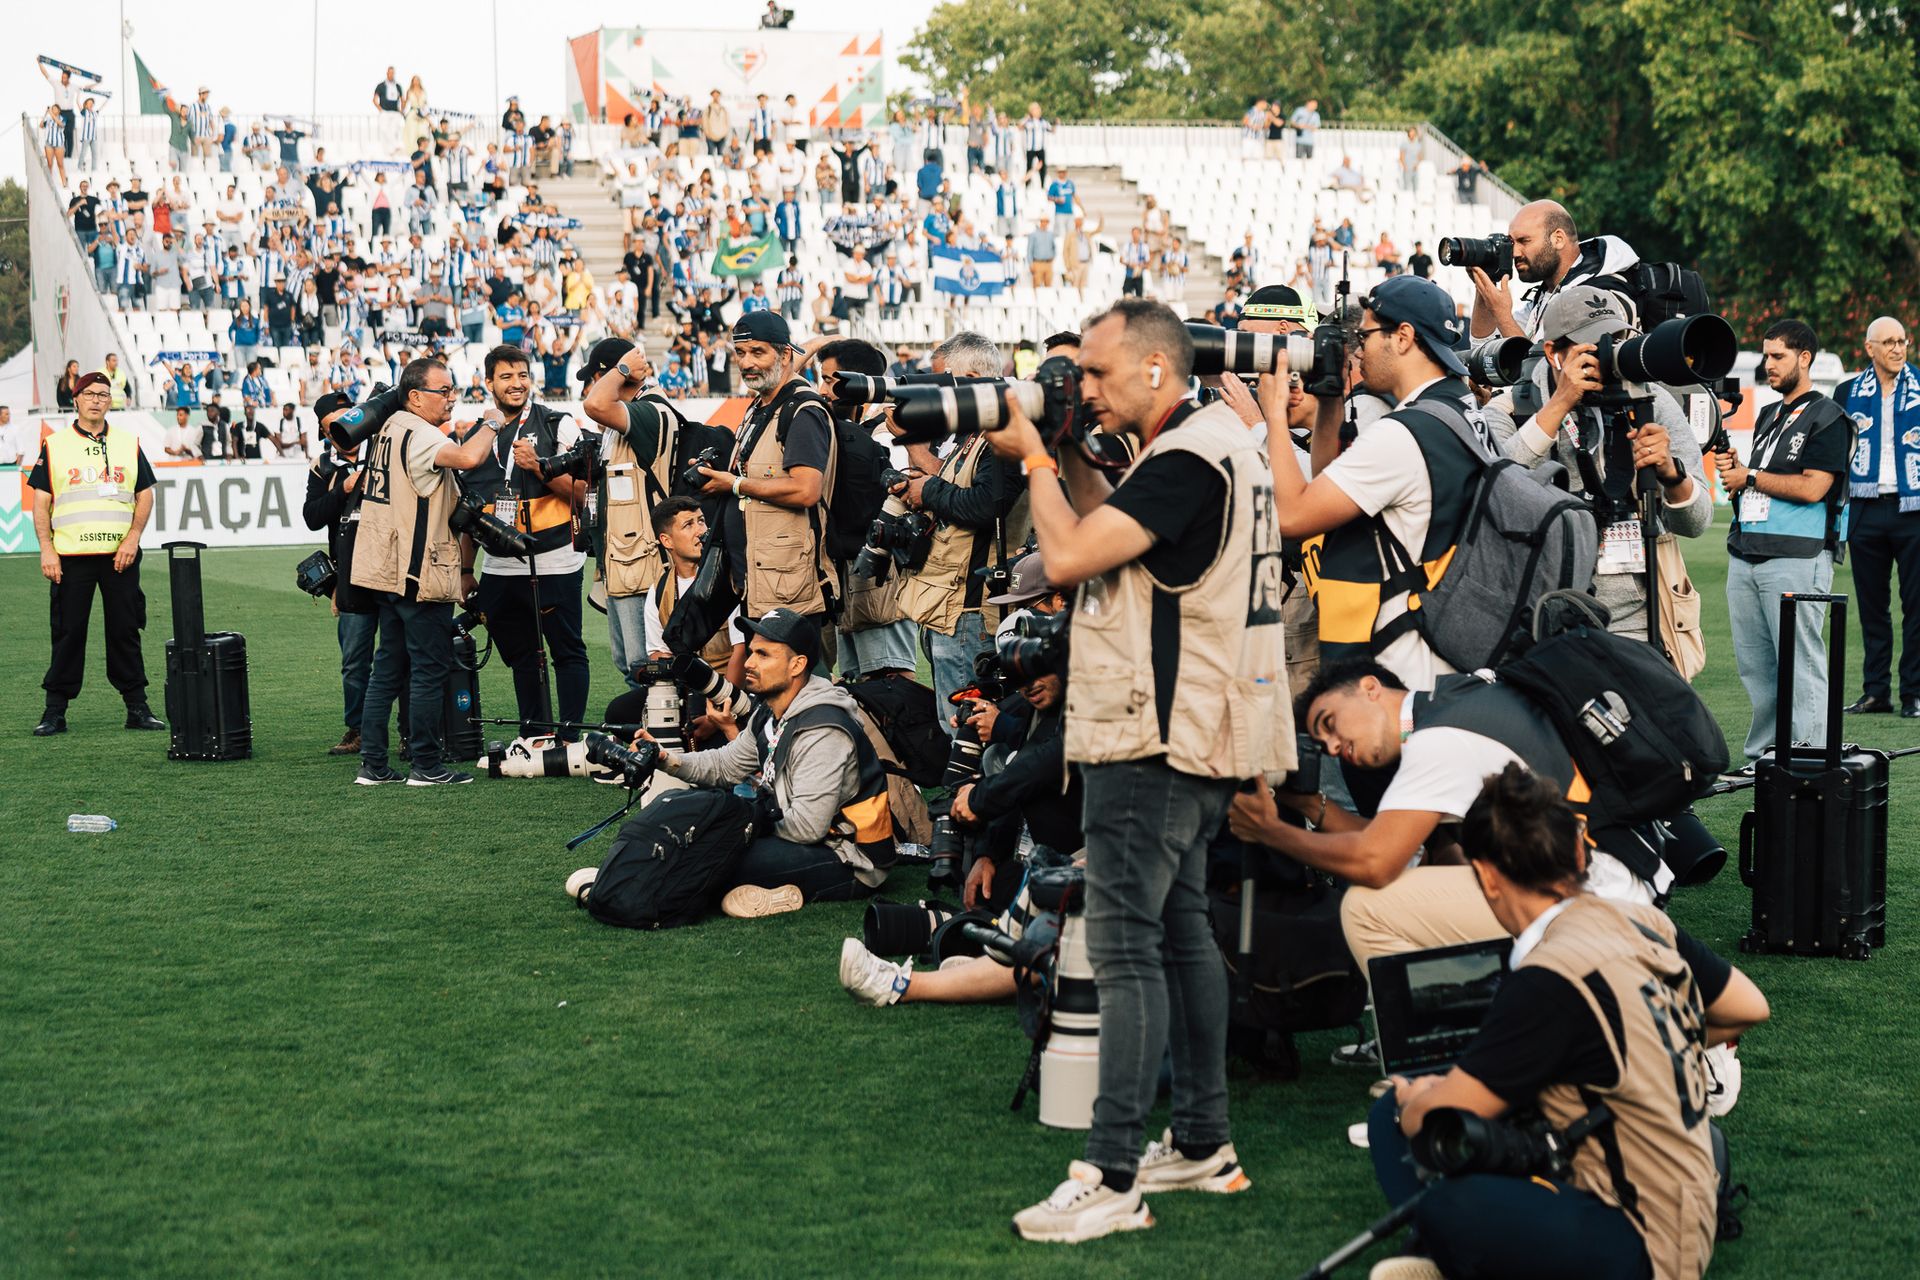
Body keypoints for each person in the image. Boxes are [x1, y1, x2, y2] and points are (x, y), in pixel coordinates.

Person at [982, 300, 1292, 1242]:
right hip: (1198, 726)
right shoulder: (1205, 442)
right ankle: (1202, 1139)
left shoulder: (1190, 456)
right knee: (1184, 929)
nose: (1087, 389)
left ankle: (1112, 1173)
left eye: (1100, 375)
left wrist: (1033, 455)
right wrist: (1070, 450)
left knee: (1124, 947)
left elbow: (1071, 555)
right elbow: (1109, 528)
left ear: (1157, 370)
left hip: (1153, 734)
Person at [1366, 764, 1769, 1280]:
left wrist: (1412, 1098)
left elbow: (1436, 1117)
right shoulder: (1640, 920)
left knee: (1410, 1141)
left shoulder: (1548, 976)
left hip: (1640, 1242)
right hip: (1688, 1206)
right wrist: (1652, 1034)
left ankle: (1446, 1254)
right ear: (1580, 852)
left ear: (1487, 877)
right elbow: (1748, 1006)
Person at [1229, 659, 1674, 975]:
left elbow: (1376, 862)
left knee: (1368, 906)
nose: (1330, 746)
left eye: (1329, 722)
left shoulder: (1438, 739)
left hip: (1595, 902)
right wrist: (1311, 807)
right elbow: (1404, 850)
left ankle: (1435, 1064)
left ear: (1370, 688)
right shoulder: (1457, 698)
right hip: (1614, 882)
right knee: (1442, 862)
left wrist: (1268, 831)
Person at [1267, 275, 1476, 693]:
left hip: (1402, 671)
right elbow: (1330, 481)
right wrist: (1330, 399)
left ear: (1402, 337)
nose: (1358, 352)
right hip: (1436, 655)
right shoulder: (1454, 408)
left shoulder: (1403, 435)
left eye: (1365, 337)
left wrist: (1271, 414)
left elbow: (1292, 516)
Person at [1480, 285, 1712, 643]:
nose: (1608, 355)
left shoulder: (1651, 400)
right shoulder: (1510, 408)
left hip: (1636, 619)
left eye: (1615, 340)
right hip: (1538, 616)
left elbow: (1697, 522)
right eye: (1594, 344)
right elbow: (1497, 495)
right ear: (1553, 353)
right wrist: (1559, 403)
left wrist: (1669, 472)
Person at [641, 609, 894, 914]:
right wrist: (666, 759)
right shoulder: (769, 711)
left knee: (713, 857)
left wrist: (735, 824)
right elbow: (726, 765)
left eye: (763, 655)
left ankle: (648, 894)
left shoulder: (824, 728)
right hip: (801, 835)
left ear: (797, 665)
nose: (748, 663)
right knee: (701, 845)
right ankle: (635, 883)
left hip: (848, 858)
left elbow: (808, 827)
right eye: (751, 652)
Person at [349, 358, 499, 786]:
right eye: (443, 390)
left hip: (387, 570)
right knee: (429, 670)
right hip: (419, 573)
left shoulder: (387, 428)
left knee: (387, 670)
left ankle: (374, 765)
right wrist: (490, 423)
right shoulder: (419, 433)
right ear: (415, 396)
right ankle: (426, 765)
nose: (451, 397)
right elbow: (469, 458)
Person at [1712, 319, 1852, 761]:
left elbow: (1813, 488)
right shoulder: (1770, 414)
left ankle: (1807, 760)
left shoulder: (1829, 416)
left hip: (1798, 554)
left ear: (1804, 358)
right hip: (1748, 551)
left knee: (1800, 663)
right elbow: (1766, 480)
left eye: (1778, 357)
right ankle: (1766, 759)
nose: (1768, 365)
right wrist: (1741, 472)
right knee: (1757, 667)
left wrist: (1748, 475)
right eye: (1766, 355)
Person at [455, 346, 592, 739]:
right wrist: (467, 570)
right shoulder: (475, 436)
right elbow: (469, 513)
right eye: (506, 377)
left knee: (567, 652)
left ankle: (569, 738)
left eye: (522, 375)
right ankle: (534, 734)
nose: (516, 384)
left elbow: (583, 494)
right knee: (520, 656)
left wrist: (539, 468)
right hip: (498, 568)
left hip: (555, 562)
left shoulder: (557, 425)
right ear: (488, 383)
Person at [29, 372, 166, 736]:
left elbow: (145, 493)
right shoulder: (55, 445)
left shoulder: (128, 443)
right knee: (68, 631)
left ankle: (137, 707)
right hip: (71, 556)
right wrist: (47, 549)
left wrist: (133, 538)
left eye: (104, 395)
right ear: (75, 399)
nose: (96, 400)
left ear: (110, 401)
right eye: (89, 394)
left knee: (125, 630)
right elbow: (40, 502)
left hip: (119, 557)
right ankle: (54, 711)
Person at [895, 331, 1019, 722]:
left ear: (969, 379)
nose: (936, 395)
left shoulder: (1004, 430)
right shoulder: (974, 432)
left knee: (965, 726)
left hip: (971, 604)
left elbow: (986, 506)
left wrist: (926, 488)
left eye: (941, 383)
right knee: (954, 722)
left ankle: (968, 786)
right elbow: (955, 490)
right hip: (950, 600)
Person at [694, 312, 837, 627]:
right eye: (741, 353)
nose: (746, 363)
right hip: (760, 579)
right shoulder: (764, 402)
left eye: (757, 352)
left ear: (785, 354)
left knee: (797, 674)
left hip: (788, 587)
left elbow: (805, 489)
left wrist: (734, 484)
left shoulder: (802, 411)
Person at [815, 339, 921, 680]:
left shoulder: (891, 433)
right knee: (859, 685)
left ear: (856, 382)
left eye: (830, 380)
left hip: (882, 575)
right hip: (852, 574)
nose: (822, 391)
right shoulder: (853, 432)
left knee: (890, 681)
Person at [1838, 316, 1920, 716]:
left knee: (1917, 606)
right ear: (1869, 348)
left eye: (1902, 341)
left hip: (1914, 510)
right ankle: (1876, 692)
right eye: (1888, 342)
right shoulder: (1847, 391)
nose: (1898, 348)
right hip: (1866, 509)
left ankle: (1914, 692)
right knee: (1872, 607)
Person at [1469, 200, 1638, 342]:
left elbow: (1551, 375)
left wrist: (1502, 315)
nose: (1514, 253)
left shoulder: (1601, 293)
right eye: (1512, 243)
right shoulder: (1544, 296)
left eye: (1524, 241)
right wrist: (1485, 283)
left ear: (1558, 239)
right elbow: (1486, 349)